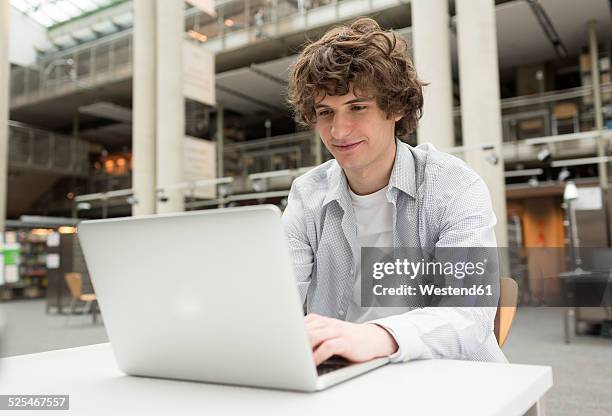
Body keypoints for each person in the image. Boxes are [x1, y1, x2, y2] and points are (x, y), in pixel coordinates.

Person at [284, 17, 507, 366]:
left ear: (397, 107)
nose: (338, 130)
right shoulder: (306, 195)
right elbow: (277, 299)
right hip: (345, 378)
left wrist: (377, 336)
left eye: (358, 107)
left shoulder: (454, 185)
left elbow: (470, 314)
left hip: (450, 378)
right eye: (325, 112)